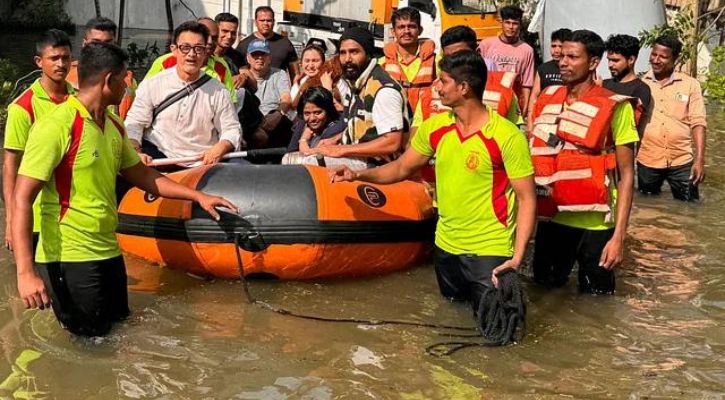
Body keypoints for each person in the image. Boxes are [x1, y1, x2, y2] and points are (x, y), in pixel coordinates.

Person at [11, 42, 237, 336]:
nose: (128, 89)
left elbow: (143, 175)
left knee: (119, 331)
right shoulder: (57, 126)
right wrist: (25, 273)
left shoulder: (114, 125)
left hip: (107, 249)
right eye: (124, 80)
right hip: (69, 255)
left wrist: (197, 196)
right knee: (89, 344)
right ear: (109, 80)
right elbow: (21, 198)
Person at [330, 50, 536, 313]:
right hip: (445, 246)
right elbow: (403, 167)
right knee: (451, 316)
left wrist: (517, 258)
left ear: (463, 88)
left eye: (443, 81)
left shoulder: (506, 136)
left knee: (496, 330)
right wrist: (358, 175)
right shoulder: (436, 127)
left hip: (490, 249)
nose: (436, 87)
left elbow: (527, 199)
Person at [530, 30, 639, 295]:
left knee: (597, 302)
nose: (563, 62)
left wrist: (618, 238)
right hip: (552, 219)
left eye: (572, 57)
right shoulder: (547, 97)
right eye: (562, 56)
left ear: (593, 63)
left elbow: (626, 176)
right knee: (542, 292)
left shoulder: (616, 107)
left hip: (596, 225)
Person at [125, 21, 242, 166]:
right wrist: (136, 151)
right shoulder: (153, 84)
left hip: (202, 163)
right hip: (158, 158)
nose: (191, 55)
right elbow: (134, 123)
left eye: (198, 48)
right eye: (185, 48)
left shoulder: (219, 91)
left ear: (206, 51)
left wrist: (220, 148)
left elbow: (231, 128)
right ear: (174, 50)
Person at [3, 29, 74, 252]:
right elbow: (10, 166)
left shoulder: (79, 100)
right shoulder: (22, 107)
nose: (61, 64)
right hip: (35, 214)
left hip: (72, 213)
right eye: (54, 58)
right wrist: (11, 220)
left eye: (66, 58)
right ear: (39, 62)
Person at [306, 26, 407, 166]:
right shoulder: (356, 83)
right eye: (343, 53)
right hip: (357, 155)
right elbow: (360, 128)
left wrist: (340, 150)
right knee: (291, 158)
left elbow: (392, 142)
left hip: (379, 166)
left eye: (354, 52)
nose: (347, 59)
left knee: (308, 163)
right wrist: (334, 140)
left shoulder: (384, 90)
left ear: (369, 54)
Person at [638, 35, 706, 202]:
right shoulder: (640, 84)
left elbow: (698, 123)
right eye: (653, 54)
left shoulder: (690, 85)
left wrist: (699, 160)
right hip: (648, 158)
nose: (656, 60)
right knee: (647, 205)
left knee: (690, 207)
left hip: (681, 159)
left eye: (663, 56)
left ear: (675, 58)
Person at [432, 26, 519, 124]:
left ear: (477, 52)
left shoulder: (503, 88)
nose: (454, 62)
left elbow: (516, 129)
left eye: (461, 55)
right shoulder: (433, 89)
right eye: (449, 57)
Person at [144, 18, 237, 103]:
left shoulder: (221, 67)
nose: (209, 42)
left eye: (214, 38)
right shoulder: (165, 62)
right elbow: (145, 95)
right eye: (205, 36)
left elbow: (229, 103)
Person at [378, 7, 436, 136]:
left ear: (420, 30)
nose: (406, 31)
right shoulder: (382, 63)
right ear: (393, 31)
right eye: (401, 27)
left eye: (411, 26)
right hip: (393, 130)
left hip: (426, 129)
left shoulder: (436, 62)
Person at [66, 17, 137, 119]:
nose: (102, 48)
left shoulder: (128, 80)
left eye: (108, 43)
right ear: (84, 43)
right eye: (95, 43)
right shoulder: (66, 75)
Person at [477, 5, 535, 118]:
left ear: (520, 25)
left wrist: (525, 109)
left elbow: (527, 84)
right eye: (507, 22)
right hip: (487, 101)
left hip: (513, 105)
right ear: (501, 23)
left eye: (515, 23)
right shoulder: (486, 45)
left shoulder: (527, 50)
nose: (511, 27)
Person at [283, 87, 353, 167]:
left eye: (317, 113)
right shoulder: (303, 123)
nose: (312, 118)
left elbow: (310, 158)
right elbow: (289, 153)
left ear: (328, 111)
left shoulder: (337, 125)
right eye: (307, 113)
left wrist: (303, 140)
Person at [246, 39, 294, 149]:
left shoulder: (279, 74)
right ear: (248, 58)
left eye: (263, 55)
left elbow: (286, 99)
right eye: (255, 55)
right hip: (252, 124)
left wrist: (278, 113)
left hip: (274, 121)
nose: (260, 58)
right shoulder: (242, 76)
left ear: (270, 58)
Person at [603, 34, 652, 136]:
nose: (610, 65)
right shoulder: (603, 84)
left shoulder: (641, 89)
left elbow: (632, 125)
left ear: (631, 60)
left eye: (615, 60)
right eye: (609, 60)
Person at [236, 6, 299, 81]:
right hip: (253, 90)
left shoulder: (285, 43)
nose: (265, 23)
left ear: (273, 22)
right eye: (262, 20)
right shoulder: (244, 44)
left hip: (279, 90)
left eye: (269, 20)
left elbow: (295, 73)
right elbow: (237, 72)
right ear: (255, 22)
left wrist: (295, 90)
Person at [528, 28, 572, 130]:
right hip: (543, 121)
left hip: (565, 122)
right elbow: (534, 95)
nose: (556, 50)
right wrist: (530, 122)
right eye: (553, 46)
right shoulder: (543, 68)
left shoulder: (573, 70)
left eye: (560, 46)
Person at [214, 12, 257, 95]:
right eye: (225, 31)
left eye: (233, 33)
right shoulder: (205, 55)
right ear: (215, 30)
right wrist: (228, 81)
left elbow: (254, 86)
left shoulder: (237, 56)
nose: (229, 36)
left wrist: (244, 77)